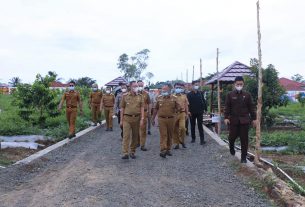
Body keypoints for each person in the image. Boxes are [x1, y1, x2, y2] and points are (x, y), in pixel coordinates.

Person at [224, 76, 257, 163]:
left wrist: (254, 119)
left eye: (241, 84)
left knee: (244, 140)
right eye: (237, 84)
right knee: (232, 137)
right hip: (233, 120)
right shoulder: (230, 95)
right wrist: (226, 117)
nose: (239, 85)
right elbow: (227, 107)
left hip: (244, 121)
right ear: (235, 84)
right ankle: (231, 147)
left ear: (243, 84)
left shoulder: (247, 95)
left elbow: (251, 107)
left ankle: (243, 158)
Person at [152, 84, 180, 158]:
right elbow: (155, 109)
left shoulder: (174, 98)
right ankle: (163, 150)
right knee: (163, 134)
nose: (164, 91)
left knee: (170, 135)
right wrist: (153, 119)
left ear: (170, 90)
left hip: (171, 119)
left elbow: (178, 109)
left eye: (165, 89)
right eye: (163, 89)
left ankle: (168, 149)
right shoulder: (159, 98)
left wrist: (178, 116)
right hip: (161, 119)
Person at [120, 81, 145, 159]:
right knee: (126, 136)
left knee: (135, 136)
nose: (136, 87)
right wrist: (121, 120)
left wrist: (142, 118)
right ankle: (125, 153)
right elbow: (122, 108)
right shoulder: (125, 96)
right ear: (130, 87)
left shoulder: (140, 96)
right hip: (126, 118)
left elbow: (142, 108)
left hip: (137, 119)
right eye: (134, 86)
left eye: (137, 86)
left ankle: (132, 151)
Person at [187, 80, 207, 145]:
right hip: (191, 112)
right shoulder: (189, 94)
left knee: (200, 126)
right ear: (192, 85)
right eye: (195, 84)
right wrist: (188, 111)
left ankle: (202, 140)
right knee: (192, 126)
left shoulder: (201, 93)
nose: (196, 86)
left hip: (200, 112)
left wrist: (205, 109)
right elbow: (187, 104)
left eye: (198, 84)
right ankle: (193, 138)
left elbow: (203, 101)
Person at [173, 83, 189, 149]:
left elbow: (186, 105)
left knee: (182, 128)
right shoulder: (172, 96)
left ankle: (182, 141)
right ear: (174, 88)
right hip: (174, 114)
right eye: (176, 87)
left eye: (179, 87)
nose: (178, 89)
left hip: (182, 113)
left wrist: (187, 113)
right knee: (175, 129)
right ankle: (177, 143)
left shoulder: (184, 96)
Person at [137, 80, 151, 151]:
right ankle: (137, 142)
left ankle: (142, 145)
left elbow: (149, 103)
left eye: (141, 86)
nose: (140, 87)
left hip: (144, 113)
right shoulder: (134, 94)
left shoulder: (146, 94)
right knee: (136, 129)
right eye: (139, 86)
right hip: (135, 114)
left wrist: (148, 112)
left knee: (143, 129)